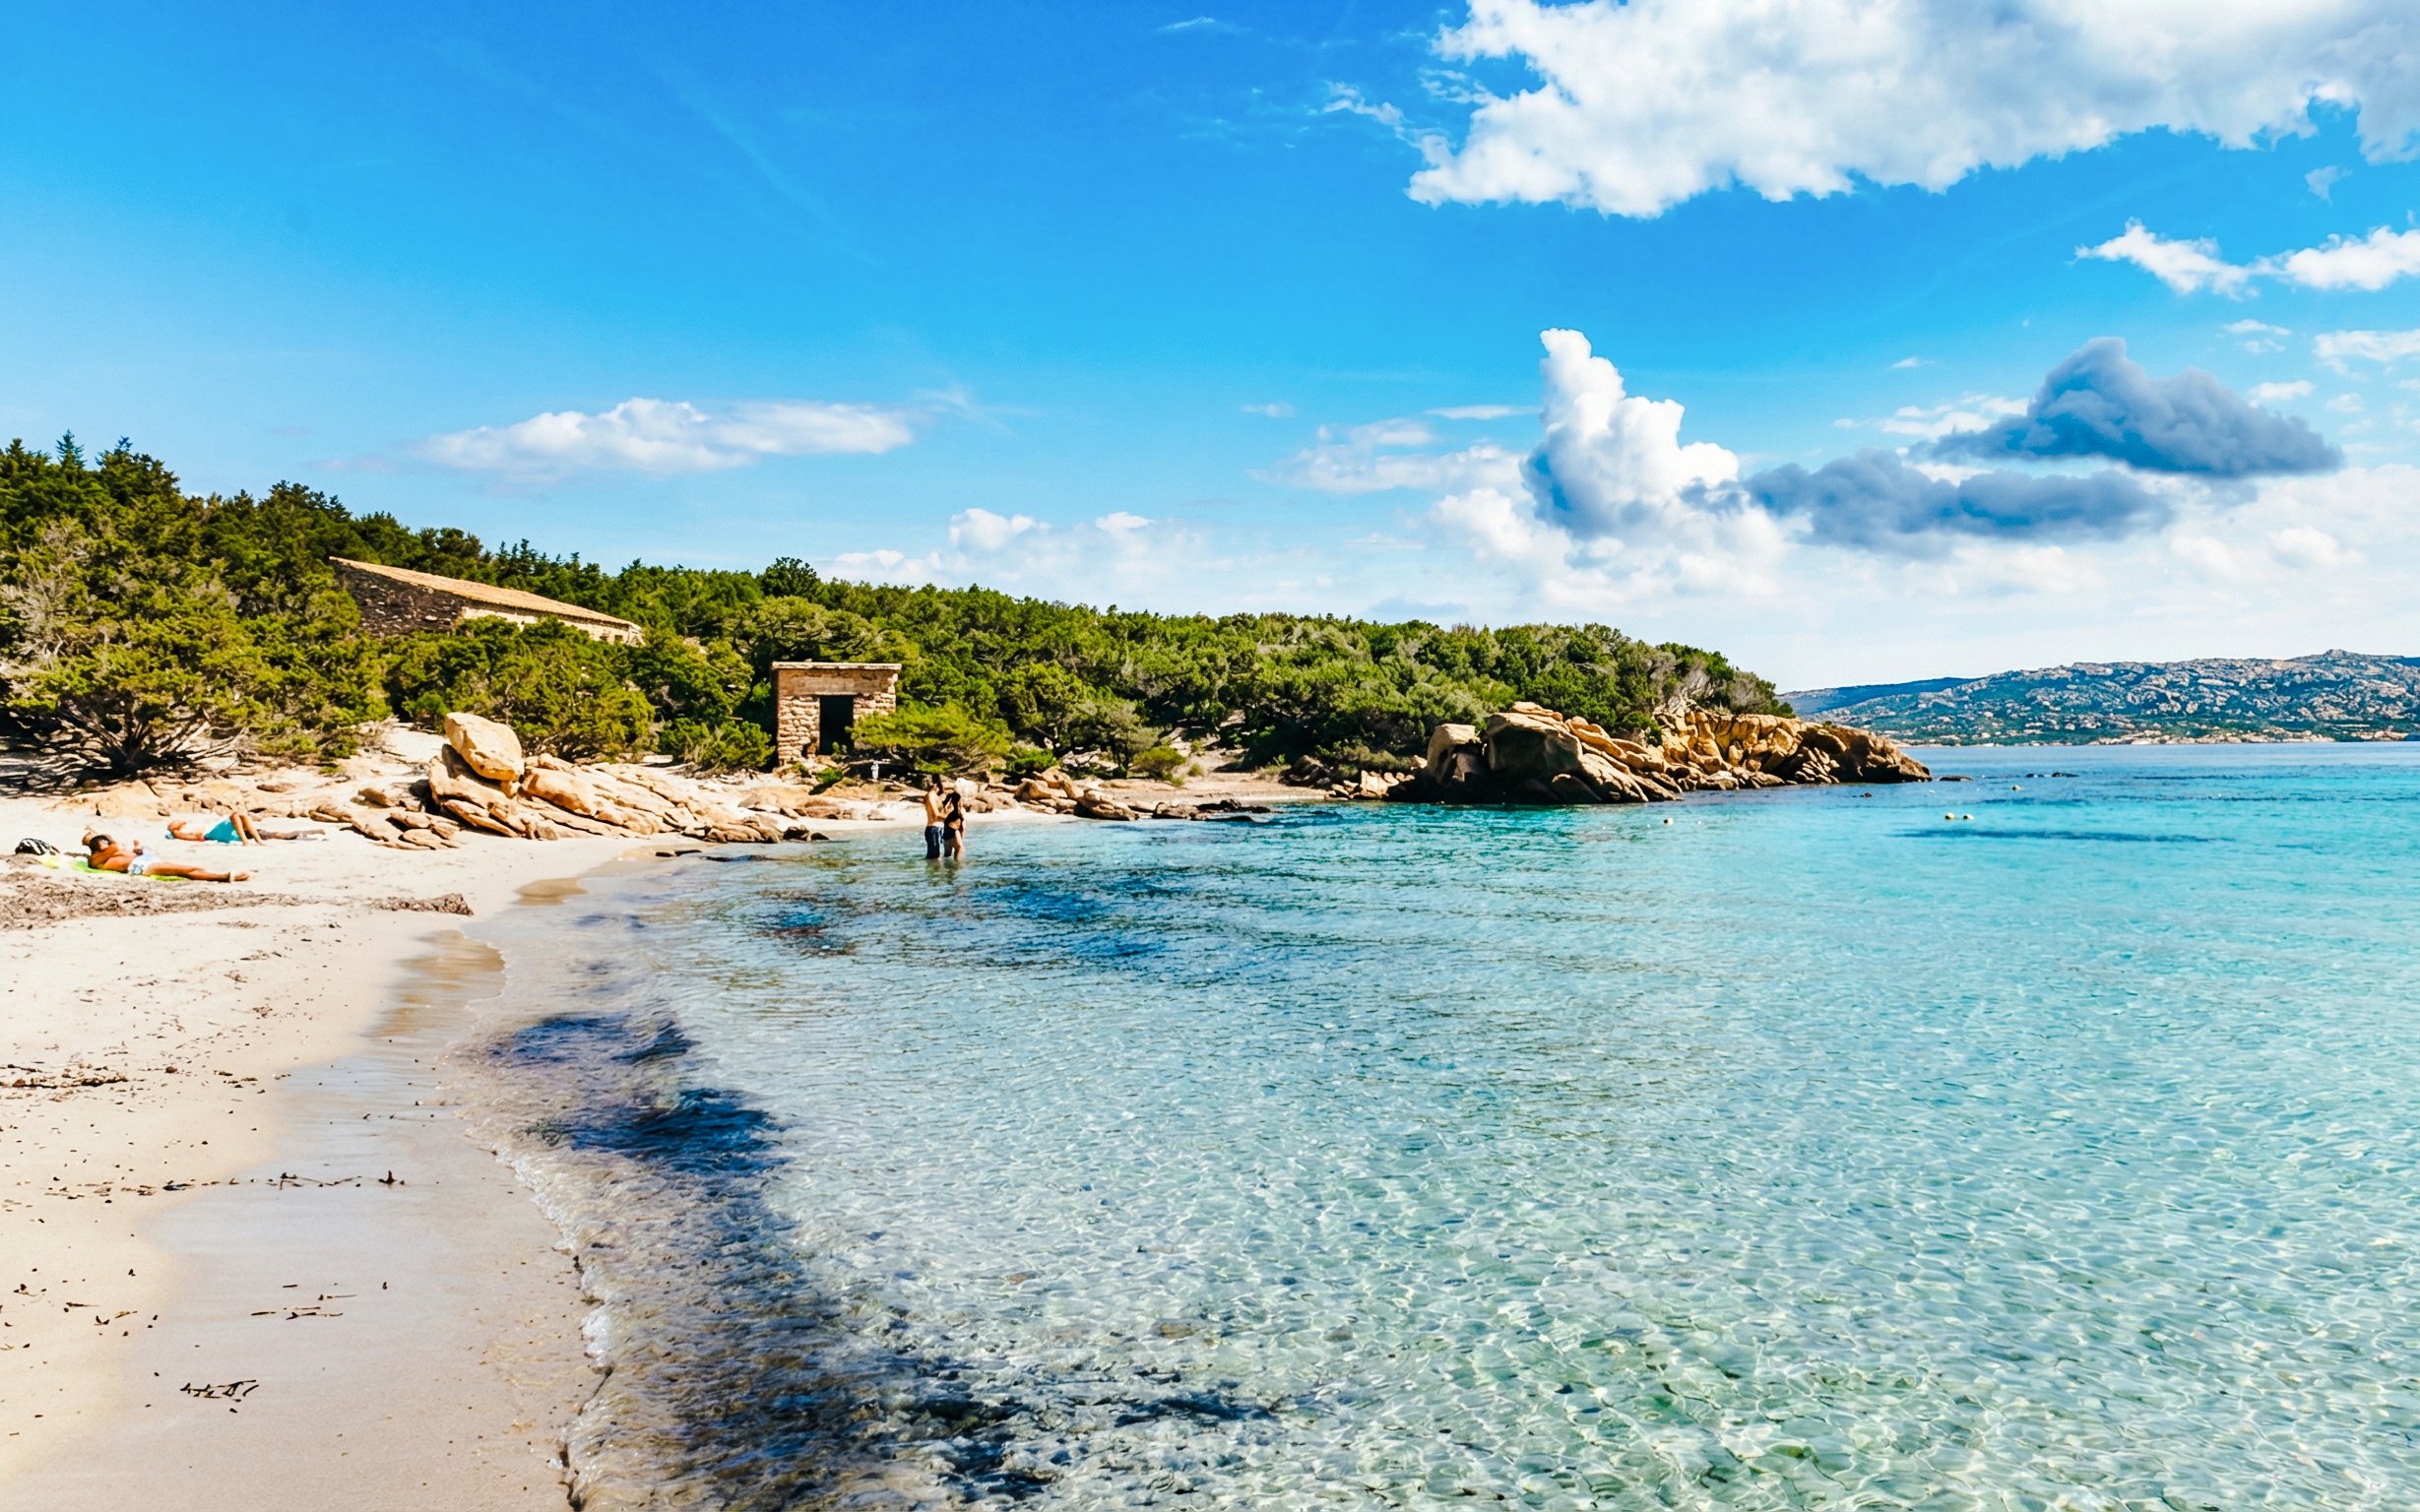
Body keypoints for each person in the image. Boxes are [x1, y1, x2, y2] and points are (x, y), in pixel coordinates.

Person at [84, 833, 248, 883]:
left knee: (185, 868)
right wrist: (108, 839)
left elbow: (123, 850)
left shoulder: (109, 855)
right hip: (140, 867)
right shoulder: (95, 860)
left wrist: (139, 848)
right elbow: (117, 847)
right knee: (185, 870)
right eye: (103, 841)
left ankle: (219, 875)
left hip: (144, 861)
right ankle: (224, 877)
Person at [167, 811, 264, 846]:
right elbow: (176, 832)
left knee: (242, 815)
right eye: (173, 823)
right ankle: (245, 842)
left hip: (220, 831)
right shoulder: (181, 832)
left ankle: (259, 840)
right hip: (212, 833)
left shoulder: (189, 824)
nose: (175, 821)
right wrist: (173, 829)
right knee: (235, 815)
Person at [922, 778, 950, 861]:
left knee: (937, 857)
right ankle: (932, 873)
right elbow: (936, 815)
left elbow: (941, 814)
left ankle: (935, 874)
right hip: (933, 828)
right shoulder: (930, 795)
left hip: (938, 829)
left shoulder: (936, 796)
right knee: (934, 857)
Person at [942, 787, 967, 860]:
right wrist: (962, 836)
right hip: (954, 831)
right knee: (960, 849)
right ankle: (957, 868)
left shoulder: (948, 810)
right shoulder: (960, 811)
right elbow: (962, 827)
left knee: (947, 855)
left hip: (946, 833)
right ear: (959, 801)